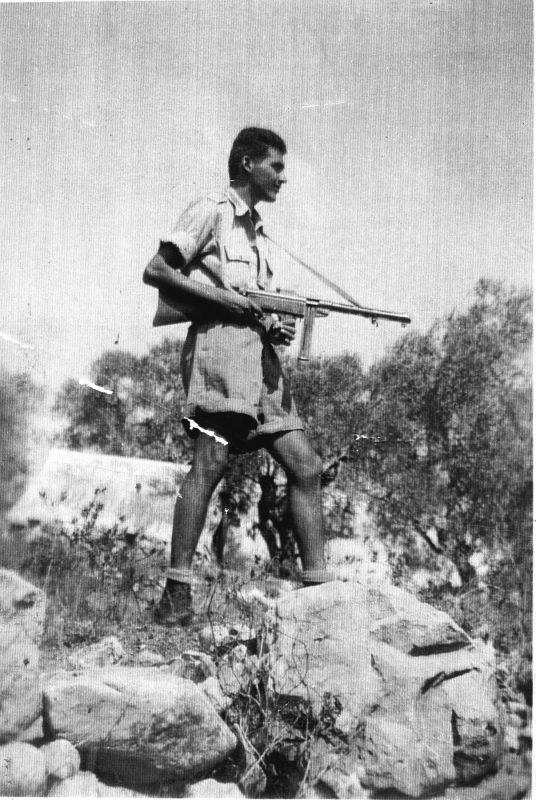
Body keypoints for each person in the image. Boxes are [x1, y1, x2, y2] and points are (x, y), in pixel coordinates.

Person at [143, 127, 333, 626]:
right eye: (276, 166)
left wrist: (273, 323)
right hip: (221, 352)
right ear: (248, 164)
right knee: (210, 464)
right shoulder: (211, 211)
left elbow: (253, 301)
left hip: (261, 361)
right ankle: (176, 594)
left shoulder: (259, 233)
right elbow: (157, 271)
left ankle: (320, 593)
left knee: (306, 466)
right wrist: (227, 301)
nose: (283, 178)